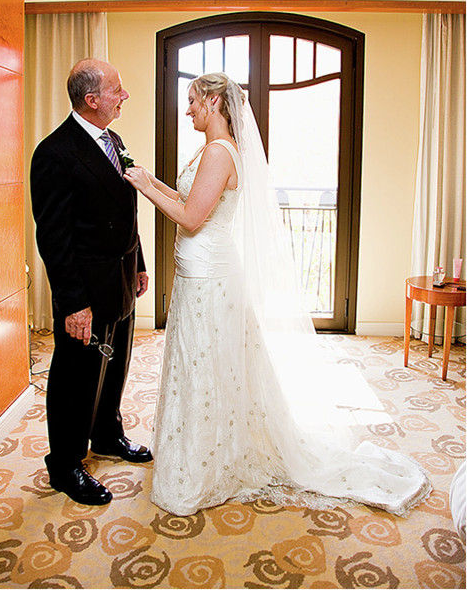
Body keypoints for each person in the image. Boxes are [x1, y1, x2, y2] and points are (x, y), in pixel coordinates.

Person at [124, 72, 431, 516]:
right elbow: (190, 200)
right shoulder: (210, 149)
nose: (187, 109)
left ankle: (208, 465)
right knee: (198, 364)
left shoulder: (219, 152)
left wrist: (144, 190)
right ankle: (200, 452)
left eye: (192, 100)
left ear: (214, 102)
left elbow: (190, 218)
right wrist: (152, 181)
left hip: (210, 278)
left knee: (205, 366)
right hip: (196, 273)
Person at [29, 58, 152, 507]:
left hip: (121, 277)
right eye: (117, 90)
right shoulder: (54, 153)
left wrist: (138, 263)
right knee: (75, 376)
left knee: (115, 364)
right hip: (84, 288)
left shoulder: (113, 140)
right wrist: (73, 302)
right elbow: (53, 237)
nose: (125, 96)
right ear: (92, 99)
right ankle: (65, 464)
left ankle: (106, 435)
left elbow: (125, 210)